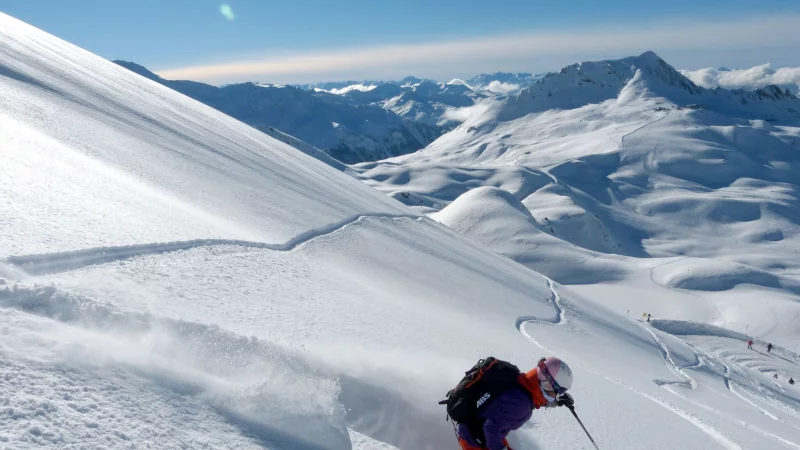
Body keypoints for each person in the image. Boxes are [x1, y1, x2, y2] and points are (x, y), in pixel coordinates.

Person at [456, 357, 574, 450]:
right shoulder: (520, 403)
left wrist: (556, 402)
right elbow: (491, 428)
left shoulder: (523, 384)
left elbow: (534, 399)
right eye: (557, 391)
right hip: (474, 439)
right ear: (547, 384)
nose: (556, 395)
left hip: (481, 433)